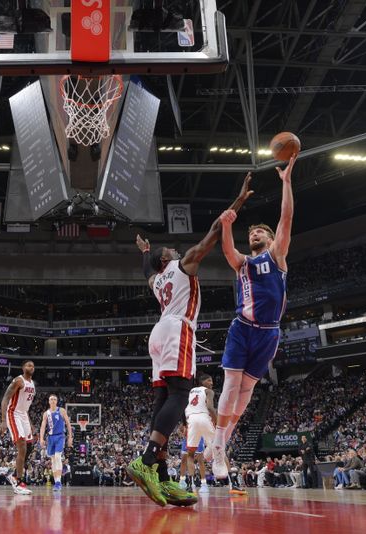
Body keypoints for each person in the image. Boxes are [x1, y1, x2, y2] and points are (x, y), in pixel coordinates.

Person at [127, 173, 254, 507]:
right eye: (170, 248)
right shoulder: (182, 266)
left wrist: (146, 252)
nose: (175, 247)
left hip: (158, 334)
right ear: (168, 259)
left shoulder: (156, 280)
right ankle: (147, 458)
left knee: (163, 402)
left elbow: (146, 271)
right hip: (178, 329)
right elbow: (213, 233)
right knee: (181, 393)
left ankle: (165, 479)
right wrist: (236, 204)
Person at [211, 155, 297, 483]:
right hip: (243, 328)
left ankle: (222, 440)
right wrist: (229, 226)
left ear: (272, 239)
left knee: (246, 392)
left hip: (269, 333)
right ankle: (219, 448)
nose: (255, 235)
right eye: (252, 233)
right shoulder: (243, 262)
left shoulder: (277, 256)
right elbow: (229, 252)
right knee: (232, 384)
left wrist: (286, 183)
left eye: (260, 231)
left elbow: (286, 218)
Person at [0, 361, 37, 495]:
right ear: (23, 368)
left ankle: (14, 474)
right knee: (22, 446)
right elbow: (5, 398)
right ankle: (18, 481)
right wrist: (3, 420)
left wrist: (31, 424)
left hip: (24, 415)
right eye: (28, 365)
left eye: (32, 366)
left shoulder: (32, 384)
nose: (30, 367)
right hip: (13, 413)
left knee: (29, 446)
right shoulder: (18, 381)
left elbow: (25, 407)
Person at [184, 374, 218, 494]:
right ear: (202, 381)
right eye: (209, 380)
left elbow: (185, 407)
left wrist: (185, 424)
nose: (211, 383)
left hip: (192, 419)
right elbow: (209, 407)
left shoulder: (191, 391)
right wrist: (217, 422)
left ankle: (189, 484)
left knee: (190, 454)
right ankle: (232, 483)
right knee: (219, 448)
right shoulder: (209, 391)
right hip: (204, 417)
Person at [39, 394, 73, 492]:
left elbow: (68, 424)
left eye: (54, 399)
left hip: (60, 436)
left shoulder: (61, 410)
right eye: (51, 399)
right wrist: (41, 438)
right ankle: (57, 481)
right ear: (49, 401)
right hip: (50, 438)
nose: (53, 400)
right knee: (53, 460)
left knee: (58, 457)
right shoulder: (46, 413)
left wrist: (70, 437)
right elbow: (42, 426)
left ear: (57, 401)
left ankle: (58, 483)